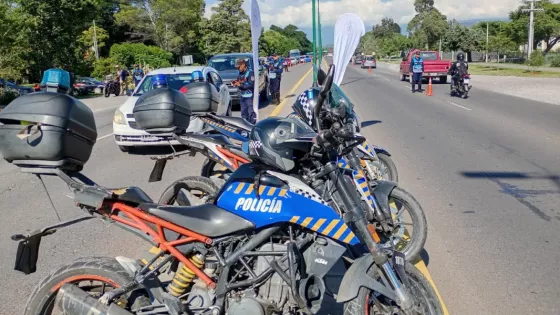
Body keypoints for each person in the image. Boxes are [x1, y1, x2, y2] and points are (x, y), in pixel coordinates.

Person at [233, 59, 256, 124]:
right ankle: (245, 127)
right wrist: (235, 83)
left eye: (239, 67)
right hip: (242, 96)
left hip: (249, 96)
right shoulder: (240, 73)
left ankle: (252, 127)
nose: (238, 68)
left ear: (243, 64)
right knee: (243, 113)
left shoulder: (250, 73)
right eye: (237, 67)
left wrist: (240, 85)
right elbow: (239, 81)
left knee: (250, 113)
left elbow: (251, 85)